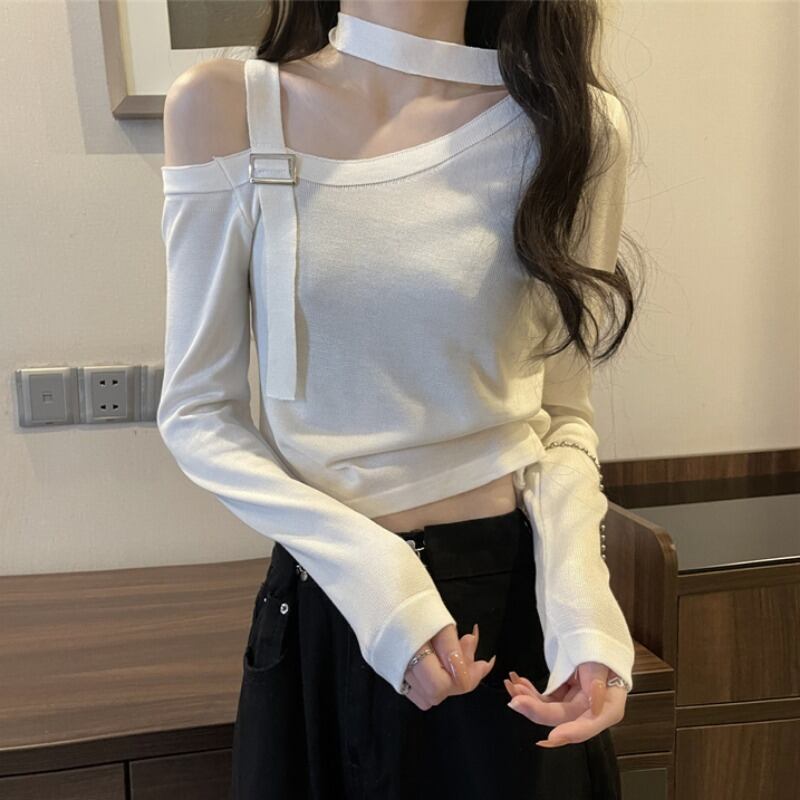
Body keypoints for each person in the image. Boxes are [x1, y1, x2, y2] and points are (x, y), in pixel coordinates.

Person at [157, 2, 639, 798]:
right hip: (337, 599)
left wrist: (583, 608)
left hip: (510, 623)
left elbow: (562, 419)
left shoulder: (574, 125)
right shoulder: (227, 107)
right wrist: (380, 581)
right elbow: (197, 414)